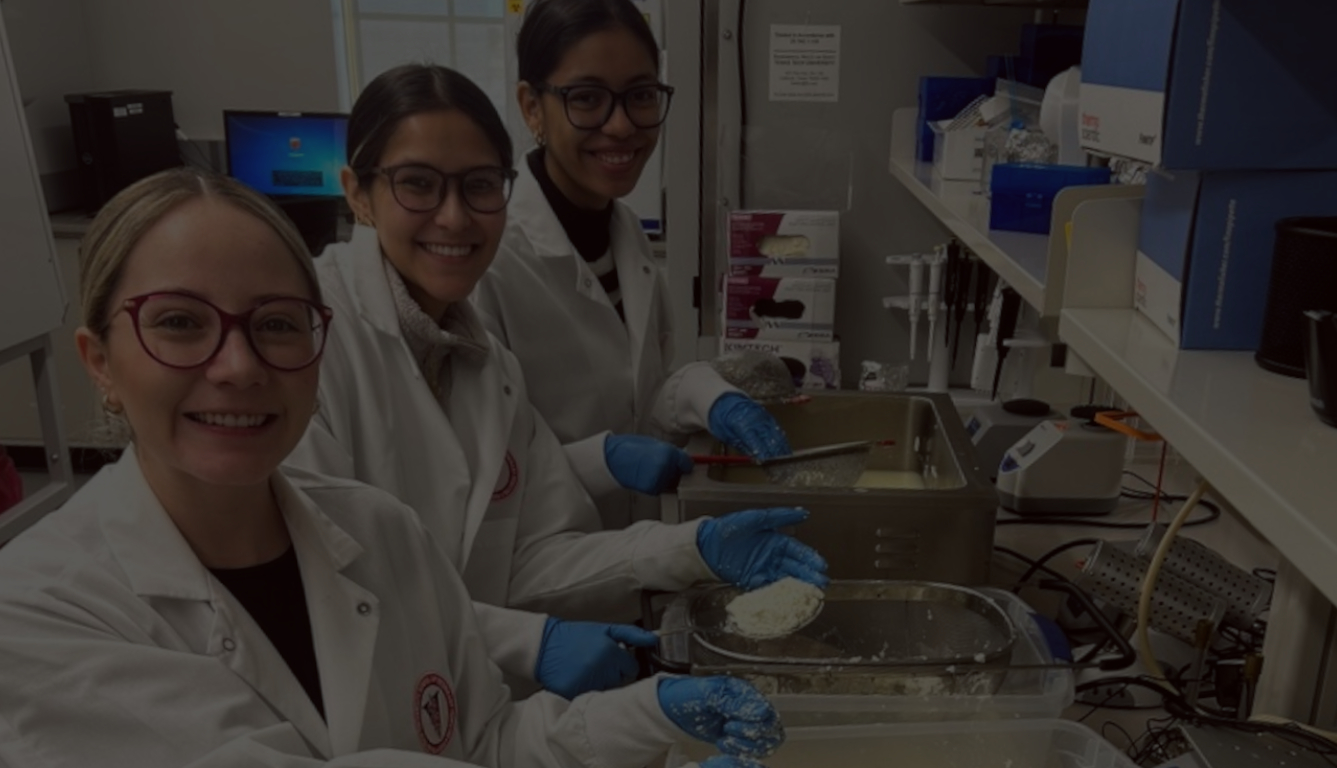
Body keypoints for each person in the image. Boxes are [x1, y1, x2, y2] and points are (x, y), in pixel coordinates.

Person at [0, 166, 784, 768]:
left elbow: (486, 742)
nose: (238, 366)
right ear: (99, 362)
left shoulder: (380, 533)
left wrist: (648, 714)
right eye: (179, 322)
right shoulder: (36, 613)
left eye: (278, 324)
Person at [284, 64, 827, 700]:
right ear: (358, 193)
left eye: (480, 185)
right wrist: (528, 642)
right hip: (364, 712)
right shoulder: (304, 345)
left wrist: (691, 549)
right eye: (418, 185)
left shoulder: (485, 365)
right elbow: (334, 599)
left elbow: (530, 555)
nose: (454, 217)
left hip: (479, 707)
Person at [472, 0, 792, 530]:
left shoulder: (626, 236)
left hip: (632, 548)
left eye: (640, 95)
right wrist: (602, 461)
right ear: (532, 107)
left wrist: (711, 397)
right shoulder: (490, 261)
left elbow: (643, 402)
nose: (621, 125)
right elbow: (485, 471)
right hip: (540, 563)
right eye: (587, 98)